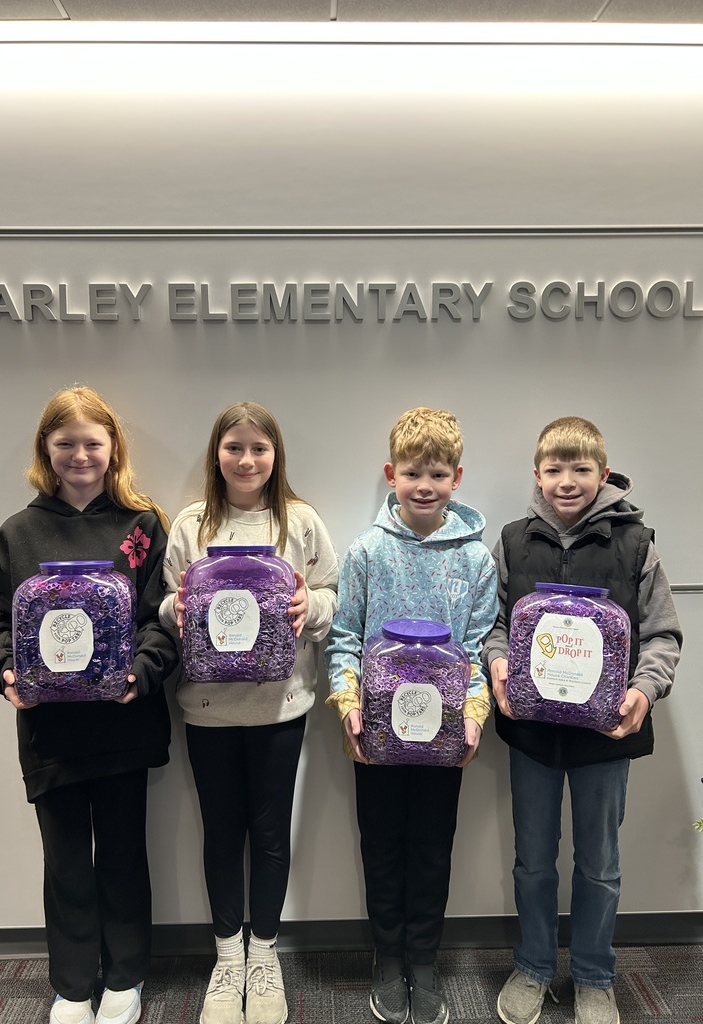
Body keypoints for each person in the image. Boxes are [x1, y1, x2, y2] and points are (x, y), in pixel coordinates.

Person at [0, 386, 179, 1024]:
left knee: (122, 852)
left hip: (122, 722)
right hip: (50, 733)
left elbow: (162, 620)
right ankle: (71, 983)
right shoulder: (15, 535)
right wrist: (3, 670)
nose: (80, 454)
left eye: (93, 442)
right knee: (64, 858)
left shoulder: (143, 526)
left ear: (113, 446)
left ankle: (124, 977)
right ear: (46, 450)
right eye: (66, 443)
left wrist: (141, 674)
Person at [482, 416, 682, 1024]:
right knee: (533, 858)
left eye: (581, 469)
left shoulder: (636, 542)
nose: (567, 482)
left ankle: (595, 976)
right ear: (537, 476)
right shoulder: (514, 541)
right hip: (533, 734)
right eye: (554, 470)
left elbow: (663, 634)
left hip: (606, 736)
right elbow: (492, 627)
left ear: (603, 472)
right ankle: (534, 967)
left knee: (599, 863)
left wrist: (643, 693)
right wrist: (496, 669)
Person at [160, 401, 338, 1024]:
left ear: (275, 455)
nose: (247, 459)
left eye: (259, 448)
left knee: (269, 833)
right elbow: (165, 605)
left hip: (280, 706)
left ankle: (264, 954)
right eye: (234, 447)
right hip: (207, 708)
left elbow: (329, 595)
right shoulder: (191, 524)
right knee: (221, 832)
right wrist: (175, 613)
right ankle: (226, 956)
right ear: (217, 453)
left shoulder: (301, 521)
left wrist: (306, 609)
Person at [324, 406, 498, 1024]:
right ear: (390, 474)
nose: (425, 485)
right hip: (375, 733)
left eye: (438, 473)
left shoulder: (476, 561)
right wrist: (348, 704)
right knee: (381, 846)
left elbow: (478, 650)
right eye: (413, 472)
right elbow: (343, 636)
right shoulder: (367, 552)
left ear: (457, 478)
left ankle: (423, 958)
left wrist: (475, 714)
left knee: (432, 846)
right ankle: (387, 958)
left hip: (446, 735)